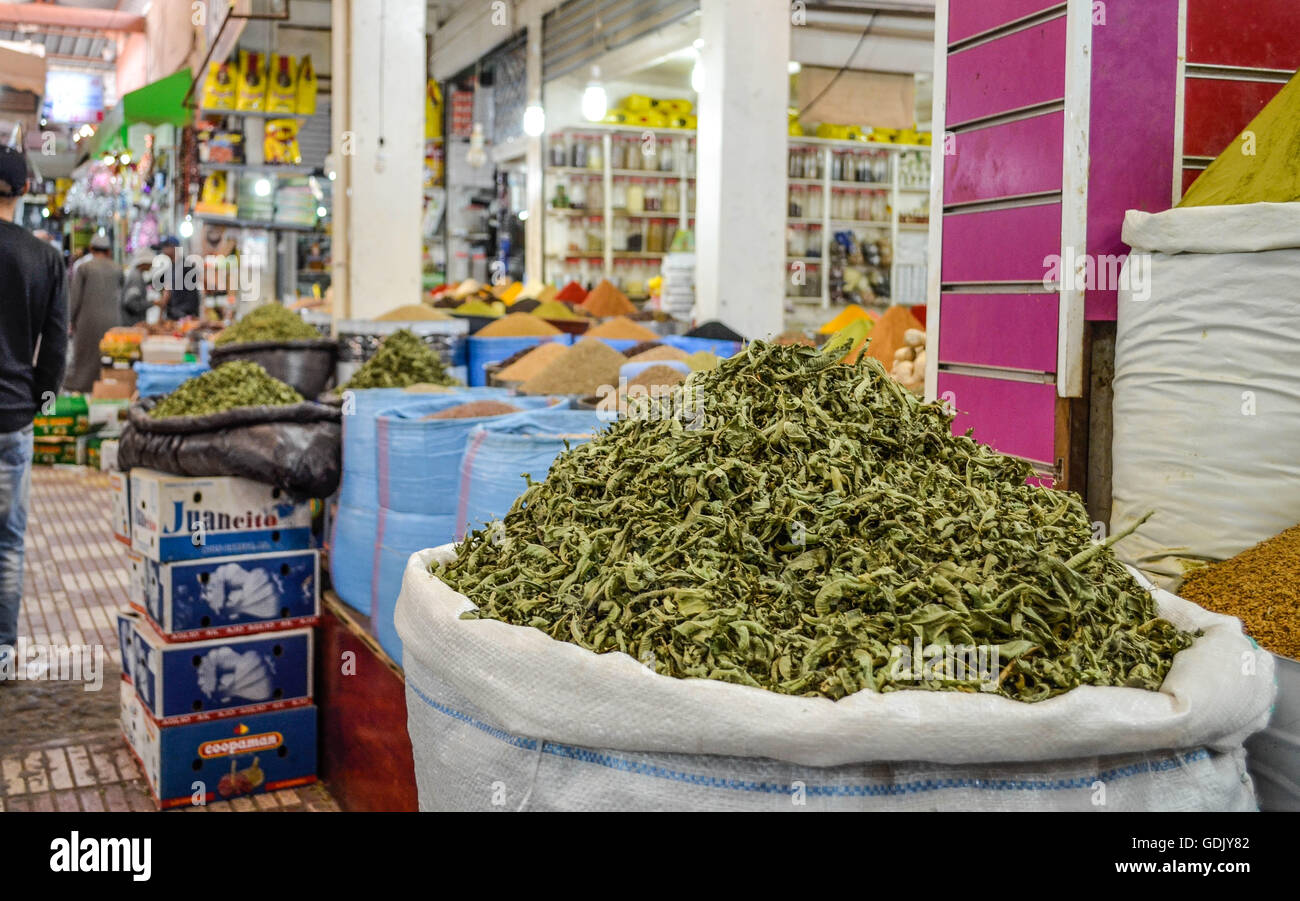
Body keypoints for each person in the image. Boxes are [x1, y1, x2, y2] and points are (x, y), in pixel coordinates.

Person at [0, 146, 67, 674]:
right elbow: (57, 345)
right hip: (12, 419)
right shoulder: (45, 258)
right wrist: (36, 403)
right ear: (24, 191)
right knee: (7, 544)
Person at [65, 234, 123, 393]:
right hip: (113, 321)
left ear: (91, 249)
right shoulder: (117, 268)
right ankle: (106, 387)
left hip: (87, 321)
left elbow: (75, 298)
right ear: (109, 251)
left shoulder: (83, 267)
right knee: (108, 355)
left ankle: (84, 388)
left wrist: (70, 320)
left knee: (85, 357)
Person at [152, 236, 200, 320]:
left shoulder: (186, 266)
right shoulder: (170, 267)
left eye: (166, 246)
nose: (163, 250)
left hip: (186, 313)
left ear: (174, 247)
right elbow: (167, 291)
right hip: (174, 313)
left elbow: (194, 294)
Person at [121, 249, 155, 325]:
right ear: (143, 263)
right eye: (150, 263)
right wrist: (152, 303)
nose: (151, 265)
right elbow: (131, 303)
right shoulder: (136, 278)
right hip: (132, 323)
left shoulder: (136, 274)